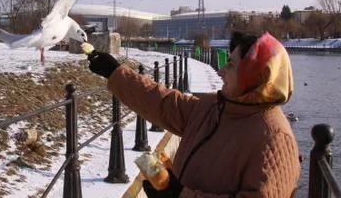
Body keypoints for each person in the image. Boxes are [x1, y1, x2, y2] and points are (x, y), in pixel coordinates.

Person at [87, 31, 300, 197]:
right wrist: (114, 72)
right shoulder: (214, 108)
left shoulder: (274, 138)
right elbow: (163, 102)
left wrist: (178, 194)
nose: (221, 71)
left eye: (231, 65)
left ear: (256, 76)